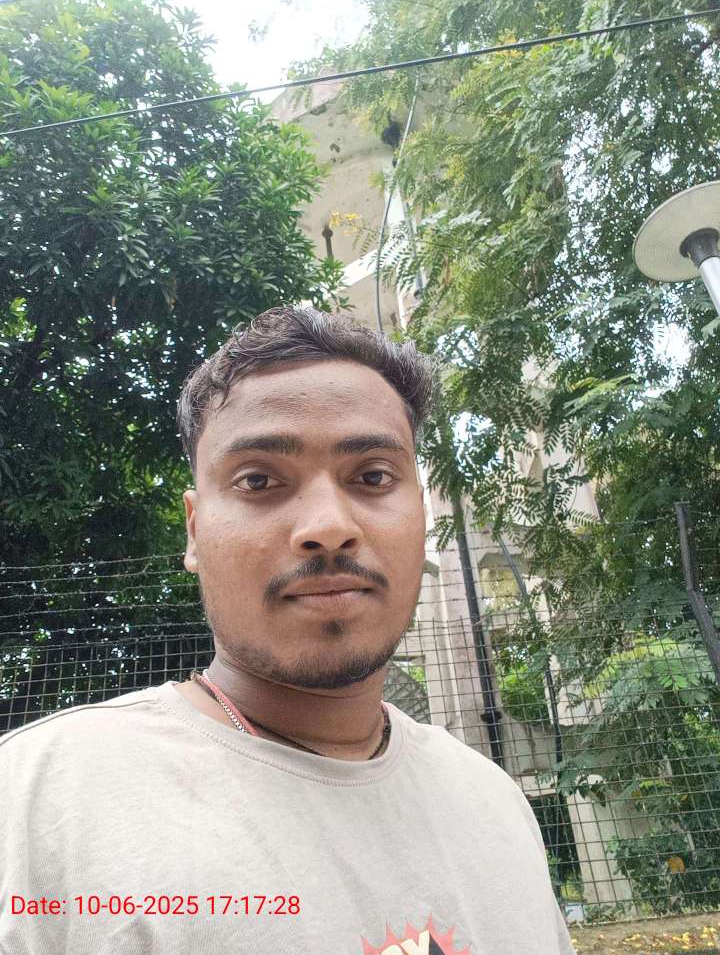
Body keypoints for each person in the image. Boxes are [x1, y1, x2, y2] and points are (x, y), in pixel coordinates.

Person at [0, 306, 576, 954]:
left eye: (373, 477)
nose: (328, 526)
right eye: (258, 481)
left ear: (420, 513)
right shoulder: (37, 805)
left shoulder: (494, 802)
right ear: (195, 530)